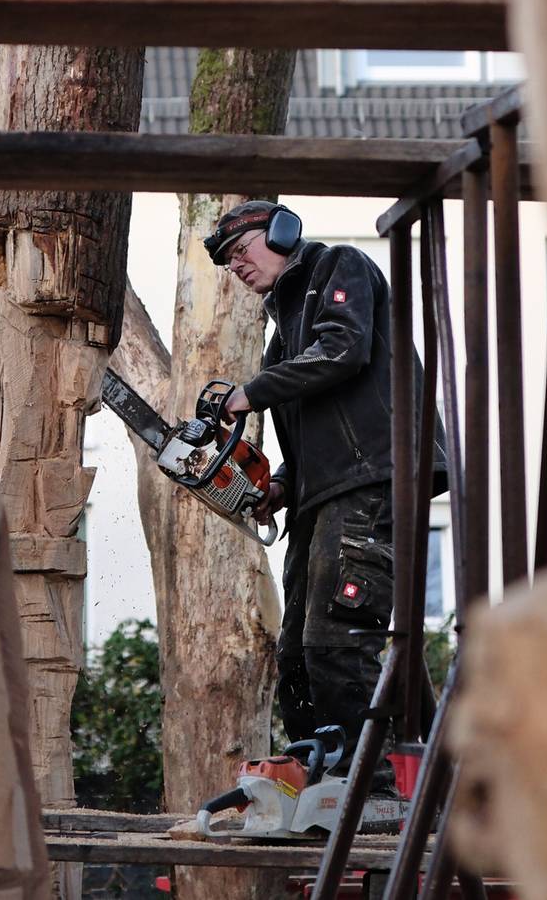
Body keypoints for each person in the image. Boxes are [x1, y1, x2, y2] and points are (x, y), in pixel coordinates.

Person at [204, 200, 447, 790]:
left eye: (243, 250)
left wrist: (249, 394)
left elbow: (344, 348)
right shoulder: (282, 334)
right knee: (296, 656)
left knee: (336, 638)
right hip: (323, 493)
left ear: (284, 233)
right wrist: (279, 486)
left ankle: (371, 785)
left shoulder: (339, 267)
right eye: (230, 261)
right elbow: (313, 428)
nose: (238, 266)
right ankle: (327, 770)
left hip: (374, 476)